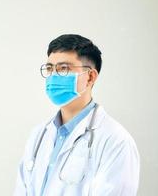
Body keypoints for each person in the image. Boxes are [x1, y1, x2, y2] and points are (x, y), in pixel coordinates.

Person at [14, 34, 140, 196]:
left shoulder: (115, 140)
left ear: (90, 77)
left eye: (64, 68)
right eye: (49, 69)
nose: (53, 76)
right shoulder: (38, 135)